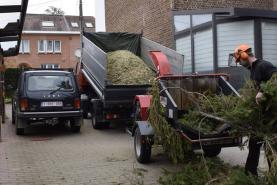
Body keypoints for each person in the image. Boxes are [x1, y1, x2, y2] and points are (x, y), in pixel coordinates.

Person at [234, 44, 277, 176]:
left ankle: (273, 175)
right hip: (259, 116)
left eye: (239, 61)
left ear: (244, 56)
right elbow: (255, 88)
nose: (240, 64)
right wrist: (246, 97)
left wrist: (263, 92)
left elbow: (275, 78)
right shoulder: (253, 69)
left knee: (269, 145)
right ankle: (250, 174)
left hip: (270, 116)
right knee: (254, 145)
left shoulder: (263, 65)